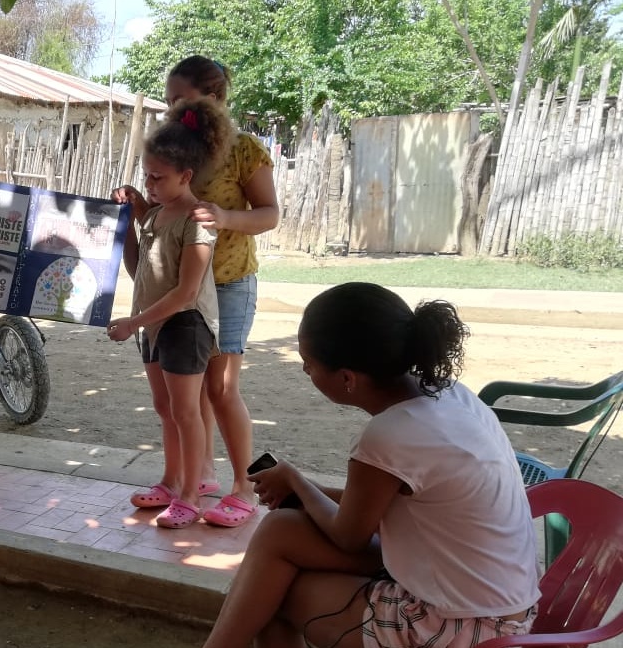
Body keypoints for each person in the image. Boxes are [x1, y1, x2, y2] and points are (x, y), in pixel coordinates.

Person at [203, 282, 540, 648]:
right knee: (281, 529)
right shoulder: (449, 392)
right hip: (497, 597)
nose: (304, 371)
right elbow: (375, 506)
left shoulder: (389, 435)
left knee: (270, 594)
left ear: (348, 378)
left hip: (464, 626)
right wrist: (295, 486)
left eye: (309, 364)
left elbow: (349, 536)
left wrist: (297, 482)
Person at [115, 55, 280, 528]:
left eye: (180, 100)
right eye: (167, 101)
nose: (171, 109)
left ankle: (245, 488)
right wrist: (138, 202)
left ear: (214, 97)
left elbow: (269, 214)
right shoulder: (172, 150)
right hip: (176, 287)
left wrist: (225, 218)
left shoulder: (245, 150)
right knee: (185, 393)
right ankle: (191, 479)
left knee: (222, 389)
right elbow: (161, 219)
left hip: (226, 282)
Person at [106, 99, 231, 529]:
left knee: (185, 412)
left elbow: (186, 292)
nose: (150, 183)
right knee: (165, 407)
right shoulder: (156, 214)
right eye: (146, 175)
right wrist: (129, 221)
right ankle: (171, 481)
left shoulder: (198, 220)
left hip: (184, 323)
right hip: (155, 324)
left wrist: (132, 323)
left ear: (186, 175)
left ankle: (191, 495)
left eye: (158, 177)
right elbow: (140, 267)